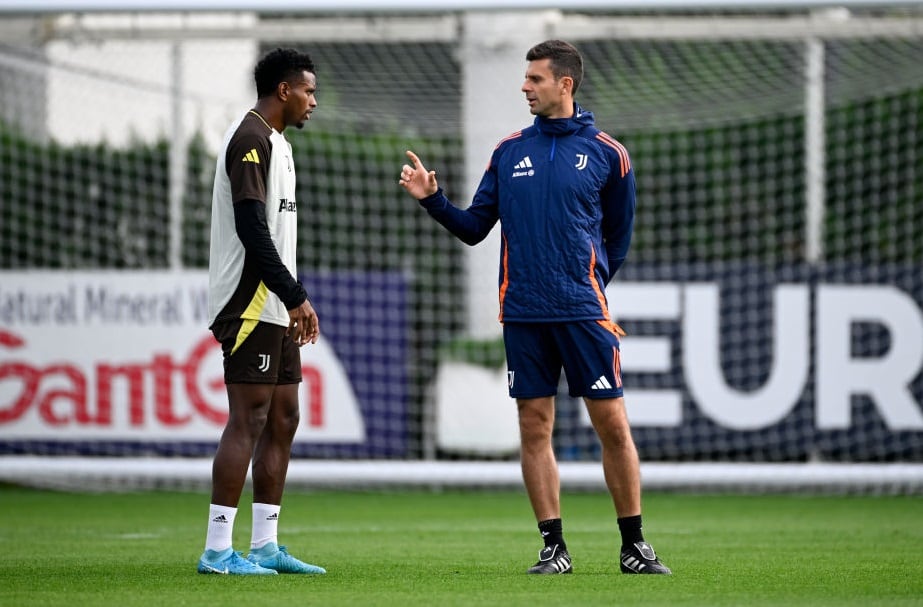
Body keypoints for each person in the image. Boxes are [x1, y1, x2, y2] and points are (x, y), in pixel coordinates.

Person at [399, 39, 670, 576]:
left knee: (613, 426)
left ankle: (634, 546)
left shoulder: (609, 153)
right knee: (533, 427)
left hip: (583, 312)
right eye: (525, 78)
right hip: (523, 313)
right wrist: (433, 200)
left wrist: (587, 285)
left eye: (535, 78)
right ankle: (554, 547)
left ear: (564, 84)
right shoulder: (508, 152)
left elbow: (618, 238)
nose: (524, 86)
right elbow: (475, 228)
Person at [197, 47, 325, 576]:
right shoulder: (249, 139)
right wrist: (294, 295)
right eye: (308, 91)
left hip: (275, 302)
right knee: (248, 417)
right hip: (249, 301)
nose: (313, 101)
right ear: (283, 90)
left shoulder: (278, 143)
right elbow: (251, 229)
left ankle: (266, 545)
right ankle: (217, 551)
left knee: (284, 417)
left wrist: (289, 296)